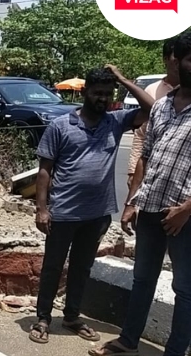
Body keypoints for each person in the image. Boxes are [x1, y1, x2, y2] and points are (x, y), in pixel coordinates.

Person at [29, 66, 154, 344]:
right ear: (84, 92)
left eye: (108, 94)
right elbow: (44, 171)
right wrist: (42, 208)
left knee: (82, 267)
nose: (102, 99)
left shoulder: (116, 121)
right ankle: (43, 318)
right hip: (63, 212)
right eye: (97, 93)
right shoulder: (61, 126)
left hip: (97, 214)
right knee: (53, 266)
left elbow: (152, 108)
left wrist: (123, 80)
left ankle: (72, 316)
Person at [90, 32, 191, 356]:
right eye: (188, 58)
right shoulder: (161, 106)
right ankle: (128, 341)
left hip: (185, 217)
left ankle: (176, 351)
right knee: (142, 280)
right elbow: (146, 157)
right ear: (177, 60)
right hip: (149, 209)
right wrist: (132, 202)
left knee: (185, 290)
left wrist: (187, 209)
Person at [126, 37, 180, 190]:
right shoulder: (151, 90)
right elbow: (141, 136)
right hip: (152, 172)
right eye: (176, 58)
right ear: (165, 59)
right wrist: (132, 172)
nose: (179, 64)